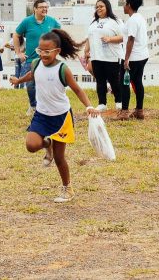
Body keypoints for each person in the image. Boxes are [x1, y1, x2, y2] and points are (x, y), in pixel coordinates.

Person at [10, 29, 100, 203]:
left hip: (61, 117)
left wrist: (89, 106)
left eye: (47, 51)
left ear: (57, 51)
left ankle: (67, 188)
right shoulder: (36, 63)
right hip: (41, 115)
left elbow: (77, 89)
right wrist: (19, 80)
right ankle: (47, 144)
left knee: (59, 158)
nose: (43, 54)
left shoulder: (62, 69)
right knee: (31, 145)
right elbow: (32, 75)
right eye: (40, 50)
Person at [14, 0, 61, 117]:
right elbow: (16, 35)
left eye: (46, 7)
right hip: (31, 60)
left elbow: (60, 34)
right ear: (35, 9)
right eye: (42, 7)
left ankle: (47, 107)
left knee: (48, 84)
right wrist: (18, 52)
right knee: (30, 85)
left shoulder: (52, 21)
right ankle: (33, 106)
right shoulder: (27, 21)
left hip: (48, 59)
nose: (45, 9)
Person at [83, 0, 124, 111]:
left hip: (111, 57)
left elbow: (123, 37)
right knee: (100, 81)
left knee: (114, 81)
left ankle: (119, 102)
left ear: (107, 7)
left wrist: (110, 39)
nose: (98, 9)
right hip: (96, 57)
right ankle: (102, 103)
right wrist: (86, 51)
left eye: (101, 6)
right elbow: (89, 37)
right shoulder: (93, 23)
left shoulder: (115, 21)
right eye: (97, 7)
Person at [121, 0, 150, 120]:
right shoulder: (140, 18)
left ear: (129, 5)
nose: (123, 6)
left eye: (125, 3)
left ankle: (124, 112)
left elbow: (131, 39)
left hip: (133, 57)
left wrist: (126, 59)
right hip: (142, 55)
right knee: (137, 82)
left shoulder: (132, 20)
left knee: (124, 84)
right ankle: (139, 110)